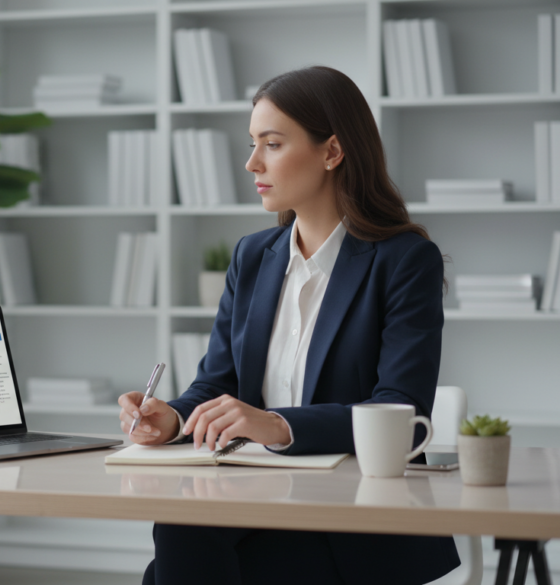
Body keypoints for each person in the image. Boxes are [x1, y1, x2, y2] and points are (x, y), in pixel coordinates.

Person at [118, 66, 461, 585]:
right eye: (253, 143)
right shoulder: (253, 256)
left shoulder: (406, 260)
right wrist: (171, 420)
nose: (252, 162)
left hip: (351, 516)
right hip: (252, 499)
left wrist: (277, 424)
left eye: (272, 144)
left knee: (177, 566)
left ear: (332, 151)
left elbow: (401, 410)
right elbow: (218, 385)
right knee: (181, 528)